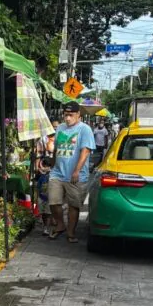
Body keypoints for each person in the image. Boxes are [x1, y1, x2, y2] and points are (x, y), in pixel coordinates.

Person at [48, 102, 95, 244]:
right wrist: (52, 164)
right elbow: (56, 148)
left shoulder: (84, 129)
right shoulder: (60, 128)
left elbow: (85, 151)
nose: (67, 118)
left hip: (75, 175)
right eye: (65, 115)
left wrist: (76, 171)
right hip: (57, 172)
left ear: (78, 115)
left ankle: (71, 232)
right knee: (53, 201)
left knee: (73, 205)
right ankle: (60, 224)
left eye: (70, 115)